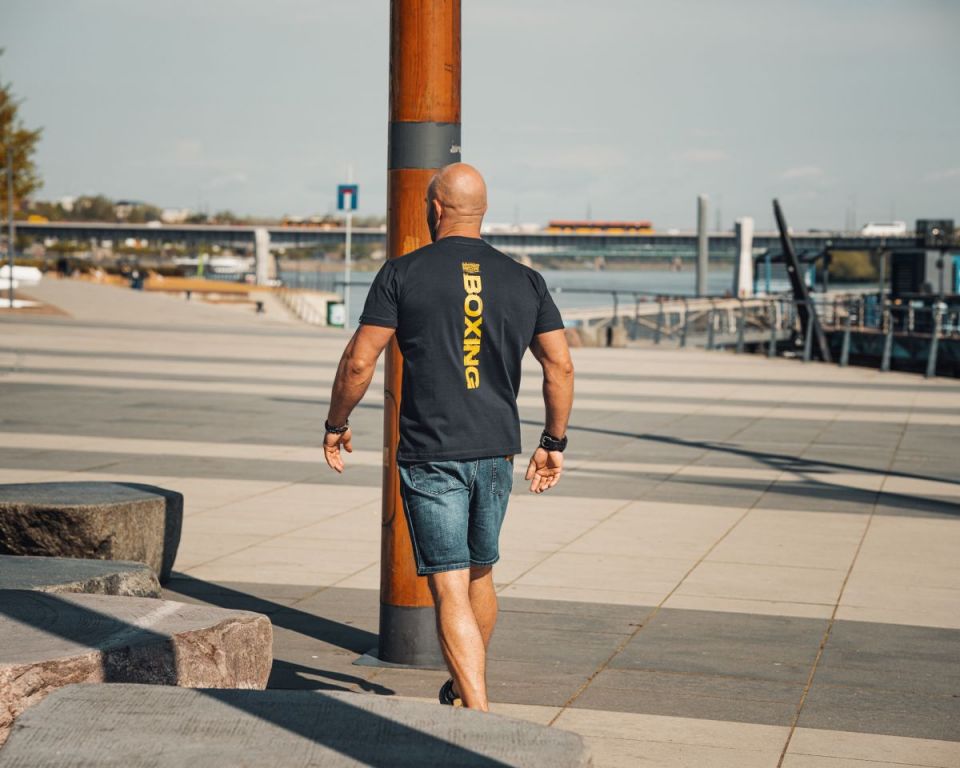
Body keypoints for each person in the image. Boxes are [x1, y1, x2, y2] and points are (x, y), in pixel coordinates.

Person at [322, 163, 574, 711]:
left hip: (432, 453)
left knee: (450, 583)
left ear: (435, 209)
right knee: (480, 573)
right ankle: (463, 691)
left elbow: (359, 361)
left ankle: (477, 714)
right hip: (496, 450)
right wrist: (553, 443)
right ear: (482, 211)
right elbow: (560, 366)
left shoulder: (402, 273)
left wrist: (336, 424)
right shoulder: (525, 279)